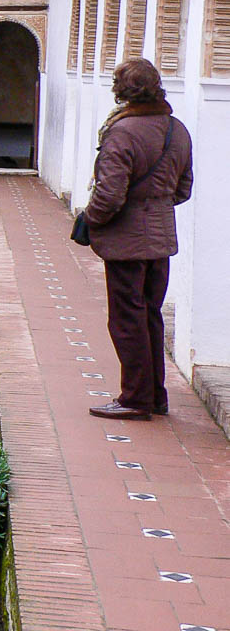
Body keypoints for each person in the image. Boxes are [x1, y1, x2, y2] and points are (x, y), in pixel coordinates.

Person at [80, 59, 193, 421]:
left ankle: (134, 399)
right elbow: (184, 188)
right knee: (150, 316)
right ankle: (154, 396)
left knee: (127, 320)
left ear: (122, 92)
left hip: (128, 240)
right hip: (160, 237)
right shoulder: (177, 130)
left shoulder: (123, 132)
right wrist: (155, 206)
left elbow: (110, 194)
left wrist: (90, 220)